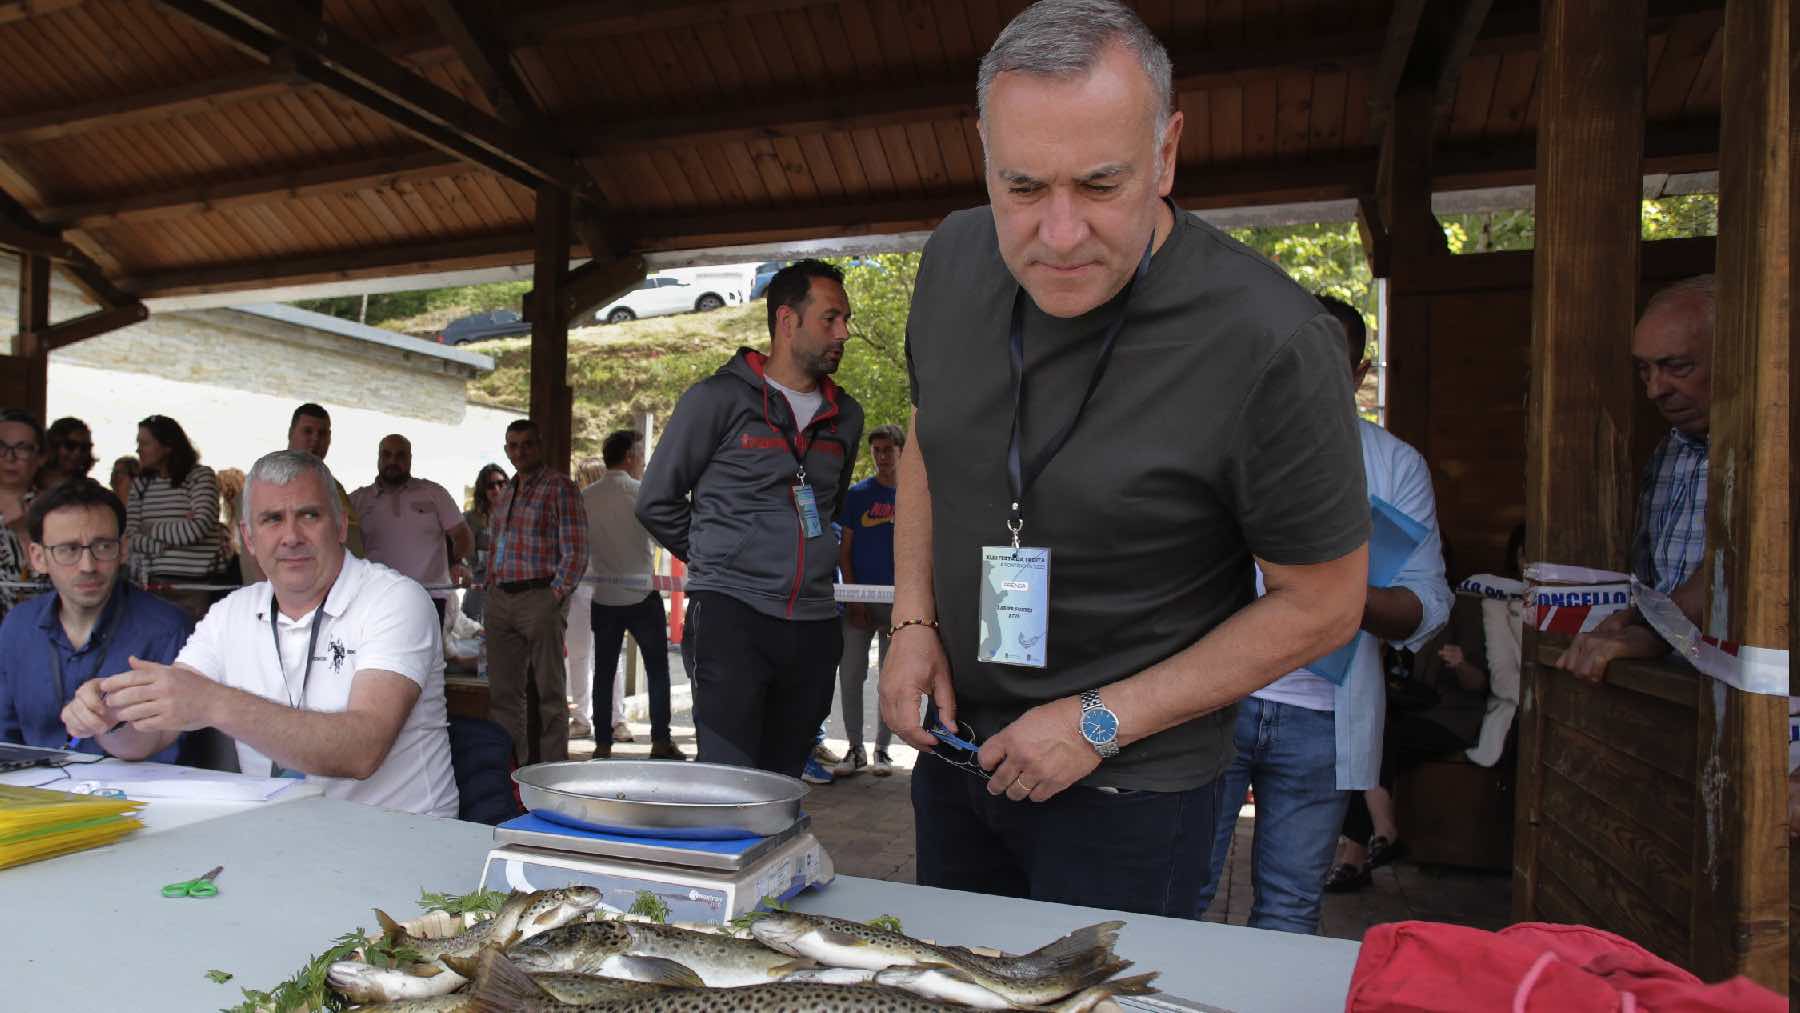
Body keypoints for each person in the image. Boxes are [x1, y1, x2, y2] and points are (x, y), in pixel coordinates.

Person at [879, 0, 1370, 920]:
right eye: (1023, 188)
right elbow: (928, 442)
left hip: (1137, 785)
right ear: (983, 155)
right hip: (960, 752)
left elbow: (1326, 602)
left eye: (1101, 186)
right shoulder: (951, 258)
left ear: (1168, 153)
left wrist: (1099, 720)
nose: (1059, 235)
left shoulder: (1271, 339)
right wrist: (912, 623)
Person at [1190, 296, 1448, 931]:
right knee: (1180, 900)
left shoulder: (1395, 465)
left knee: (1290, 910)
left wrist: (1331, 593)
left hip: (1323, 720)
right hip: (1211, 702)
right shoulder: (1216, 447)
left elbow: (1428, 604)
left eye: (1324, 364)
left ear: (1358, 373)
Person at [72, 450, 459, 817]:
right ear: (249, 538)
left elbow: (362, 751)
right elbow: (154, 734)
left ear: (341, 525)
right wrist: (113, 718)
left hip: (400, 842)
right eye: (272, 519)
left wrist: (214, 703)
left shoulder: (395, 599)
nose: (291, 536)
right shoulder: (230, 613)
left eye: (309, 515)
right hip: (280, 836)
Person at [638, 259, 865, 779]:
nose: (844, 333)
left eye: (845, 320)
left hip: (812, 625)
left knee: (785, 785)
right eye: (831, 319)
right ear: (787, 321)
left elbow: (826, 506)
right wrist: (723, 557)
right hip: (732, 618)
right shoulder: (717, 398)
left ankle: (775, 864)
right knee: (727, 785)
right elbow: (656, 501)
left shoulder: (846, 416)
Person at [1556, 276, 1714, 680]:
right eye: (1645, 370)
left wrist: (1656, 629)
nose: (1655, 390)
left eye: (1677, 366)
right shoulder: (1669, 453)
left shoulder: (1777, 453)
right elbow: (1648, 581)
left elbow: (1743, 566)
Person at [0, 479, 190, 763]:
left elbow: (172, 751)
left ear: (123, 548)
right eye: (68, 550)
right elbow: (5, 740)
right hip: (33, 798)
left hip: (138, 801)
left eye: (102, 546)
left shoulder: (167, 630)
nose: (88, 566)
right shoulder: (18, 627)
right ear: (38, 557)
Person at [485, 420, 587, 765]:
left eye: (527, 444)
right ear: (506, 450)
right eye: (512, 446)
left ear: (539, 446)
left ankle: (553, 773)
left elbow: (576, 551)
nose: (520, 451)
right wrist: (490, 586)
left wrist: (554, 596)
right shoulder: (507, 490)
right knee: (504, 695)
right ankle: (510, 772)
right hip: (501, 598)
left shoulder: (560, 487)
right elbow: (499, 544)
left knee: (549, 694)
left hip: (539, 596)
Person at [583, 430, 684, 760]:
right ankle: (660, 740)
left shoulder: (586, 497)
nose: (643, 460)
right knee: (657, 670)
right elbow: (661, 539)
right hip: (642, 593)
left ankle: (601, 744)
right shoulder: (642, 494)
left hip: (604, 593)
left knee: (604, 672)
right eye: (641, 454)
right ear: (628, 457)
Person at [832, 423, 905, 778]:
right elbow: (844, 551)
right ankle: (854, 748)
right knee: (850, 675)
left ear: (902, 451)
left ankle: (883, 750)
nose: (882, 457)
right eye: (877, 450)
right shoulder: (858, 495)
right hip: (858, 601)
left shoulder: (916, 496)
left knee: (892, 679)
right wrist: (854, 595)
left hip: (901, 605)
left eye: (888, 450)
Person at [348, 434, 475, 627]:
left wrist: (457, 562)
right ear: (378, 458)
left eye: (400, 456)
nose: (393, 461)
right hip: (374, 598)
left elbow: (462, 536)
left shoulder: (434, 493)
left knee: (425, 658)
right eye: (387, 455)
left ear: (410, 459)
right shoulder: (357, 501)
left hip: (428, 597)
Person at [126, 415, 223, 622]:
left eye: (145, 443)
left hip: (194, 588)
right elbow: (131, 536)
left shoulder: (200, 477)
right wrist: (160, 546)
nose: (138, 450)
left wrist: (150, 528)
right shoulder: (140, 485)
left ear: (168, 446)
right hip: (151, 586)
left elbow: (197, 529)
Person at [564, 458, 607, 743]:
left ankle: (583, 718)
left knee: (581, 656)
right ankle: (614, 718)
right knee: (606, 657)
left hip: (583, 588)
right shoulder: (613, 509)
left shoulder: (580, 507)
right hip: (605, 589)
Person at [286, 402, 364, 557]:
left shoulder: (334, 487)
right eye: (307, 431)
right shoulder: (268, 480)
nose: (315, 439)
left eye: (322, 434)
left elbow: (353, 541)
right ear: (291, 433)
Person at [0, 408, 43, 621]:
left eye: (22, 448)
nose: (10, 457)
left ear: (40, 458)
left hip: (29, 633)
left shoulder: (55, 510)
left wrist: (25, 533)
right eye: (2, 447)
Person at [461, 463, 507, 623]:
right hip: (479, 590)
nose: (496, 489)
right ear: (483, 490)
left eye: (501, 483)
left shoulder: (518, 516)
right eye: (490, 485)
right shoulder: (470, 519)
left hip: (509, 592)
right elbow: (466, 557)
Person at [34, 417, 95, 492]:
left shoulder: (90, 489)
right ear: (53, 446)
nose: (77, 453)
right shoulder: (29, 482)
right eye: (70, 445)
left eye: (84, 448)